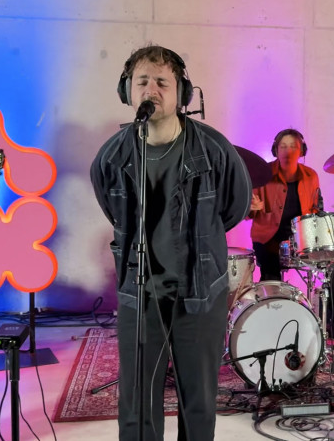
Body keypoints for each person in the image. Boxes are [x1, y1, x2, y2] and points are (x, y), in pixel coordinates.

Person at [90, 45, 252, 440]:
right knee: (137, 403)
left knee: (197, 400)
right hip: (140, 292)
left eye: (162, 82)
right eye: (142, 81)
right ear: (127, 91)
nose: (151, 90)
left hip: (199, 290)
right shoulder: (112, 157)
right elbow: (113, 210)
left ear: (182, 93)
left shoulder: (214, 149)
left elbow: (234, 207)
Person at [249, 129, 334, 338]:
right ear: (275, 150)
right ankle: (273, 324)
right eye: (283, 146)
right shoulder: (263, 175)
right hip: (269, 239)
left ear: (301, 150)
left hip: (301, 240)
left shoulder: (311, 176)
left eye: (293, 146)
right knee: (270, 271)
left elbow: (315, 210)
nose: (288, 151)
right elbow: (248, 212)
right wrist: (252, 208)